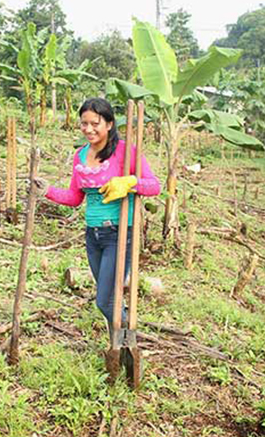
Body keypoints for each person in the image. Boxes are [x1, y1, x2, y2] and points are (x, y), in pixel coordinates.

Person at [34, 97, 160, 335]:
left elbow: (154, 186)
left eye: (95, 123)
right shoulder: (80, 155)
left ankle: (125, 340)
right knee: (109, 297)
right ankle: (120, 342)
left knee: (104, 300)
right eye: (84, 123)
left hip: (119, 233)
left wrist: (131, 182)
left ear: (109, 124)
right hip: (93, 236)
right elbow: (74, 197)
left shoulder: (126, 152)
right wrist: (47, 191)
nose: (88, 129)